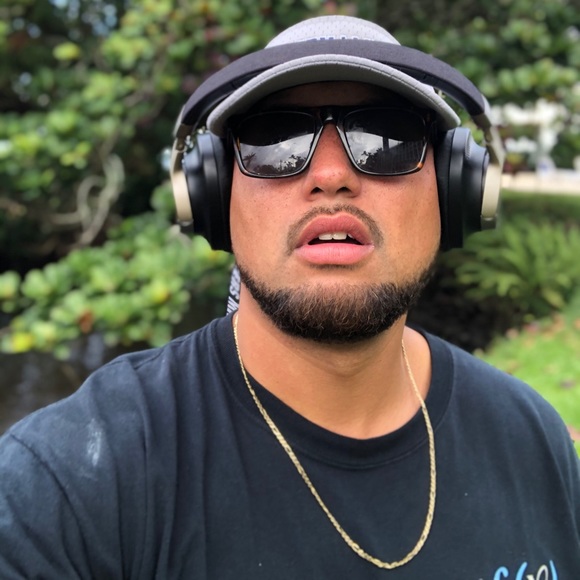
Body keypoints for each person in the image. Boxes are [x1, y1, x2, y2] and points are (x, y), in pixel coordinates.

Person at [0, 15, 578, 579]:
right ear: (211, 196)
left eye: (388, 138)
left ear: (457, 191)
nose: (330, 175)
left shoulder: (534, 439)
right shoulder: (67, 483)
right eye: (274, 140)